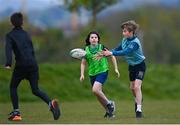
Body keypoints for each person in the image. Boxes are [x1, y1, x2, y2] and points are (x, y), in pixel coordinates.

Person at [5, 12, 60, 121]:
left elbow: (8, 50)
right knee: (35, 89)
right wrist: (33, 63)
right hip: (33, 64)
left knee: (13, 87)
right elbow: (31, 49)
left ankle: (16, 113)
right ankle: (51, 104)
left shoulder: (10, 35)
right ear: (22, 22)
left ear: (11, 22)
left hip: (21, 65)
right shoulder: (26, 34)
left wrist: (8, 63)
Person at [102, 20, 146, 118]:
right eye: (123, 31)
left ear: (131, 32)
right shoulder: (124, 40)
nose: (123, 33)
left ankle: (138, 110)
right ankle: (139, 99)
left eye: (125, 31)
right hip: (132, 66)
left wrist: (112, 53)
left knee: (137, 87)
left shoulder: (135, 43)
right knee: (132, 88)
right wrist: (107, 52)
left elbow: (126, 51)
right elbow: (117, 49)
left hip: (140, 66)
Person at [80, 31, 120, 118]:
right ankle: (109, 112)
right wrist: (82, 74)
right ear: (89, 40)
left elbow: (112, 56)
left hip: (103, 71)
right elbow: (83, 63)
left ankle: (109, 104)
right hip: (92, 73)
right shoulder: (85, 50)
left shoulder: (102, 47)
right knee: (98, 94)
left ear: (98, 39)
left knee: (95, 90)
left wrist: (116, 69)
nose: (94, 39)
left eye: (96, 37)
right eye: (92, 37)